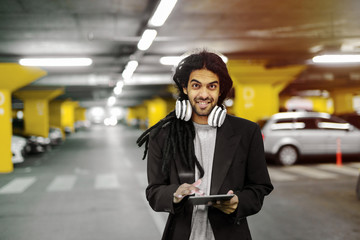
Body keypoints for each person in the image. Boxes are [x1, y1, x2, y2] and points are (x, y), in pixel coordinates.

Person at [137, 49, 273, 240]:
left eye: (211, 86)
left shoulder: (247, 132)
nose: (203, 94)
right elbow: (154, 192)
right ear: (185, 88)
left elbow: (260, 187)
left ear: (220, 91)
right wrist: (175, 194)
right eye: (196, 85)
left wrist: (238, 202)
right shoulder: (162, 135)